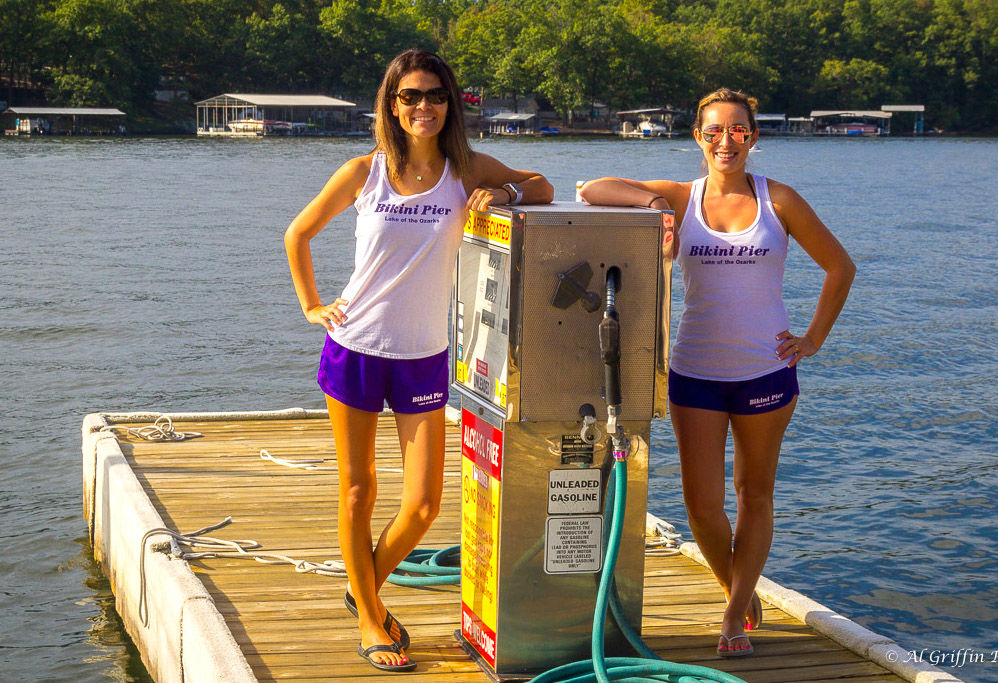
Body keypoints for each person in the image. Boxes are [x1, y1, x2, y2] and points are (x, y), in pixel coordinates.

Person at [284, 49, 552, 672]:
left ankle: (364, 587)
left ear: (449, 103)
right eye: (410, 96)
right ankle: (370, 619)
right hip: (355, 346)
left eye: (434, 94)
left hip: (425, 354)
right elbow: (298, 234)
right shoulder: (364, 171)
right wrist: (312, 306)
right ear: (392, 104)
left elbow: (540, 186)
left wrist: (503, 192)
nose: (423, 106)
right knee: (358, 490)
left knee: (425, 503)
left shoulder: (466, 171)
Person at [581, 88, 855, 658]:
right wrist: (654, 206)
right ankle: (736, 585)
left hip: (766, 374)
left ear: (753, 137)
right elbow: (592, 188)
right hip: (695, 373)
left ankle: (732, 616)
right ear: (698, 137)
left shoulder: (780, 200)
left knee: (754, 494)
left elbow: (840, 267)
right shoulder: (683, 198)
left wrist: (813, 339)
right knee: (702, 506)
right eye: (713, 131)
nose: (725, 141)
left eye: (737, 131)